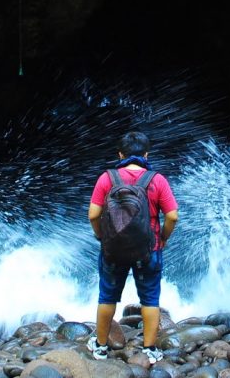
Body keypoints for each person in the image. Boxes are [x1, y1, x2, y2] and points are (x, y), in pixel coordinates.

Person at [87, 131, 179, 364]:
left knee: (107, 297)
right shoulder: (156, 180)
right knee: (150, 299)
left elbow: (93, 215)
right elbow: (172, 216)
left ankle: (100, 347)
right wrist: (164, 238)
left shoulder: (107, 178)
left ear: (120, 154)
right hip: (149, 249)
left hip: (113, 249)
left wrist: (101, 236)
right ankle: (149, 349)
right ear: (146, 154)